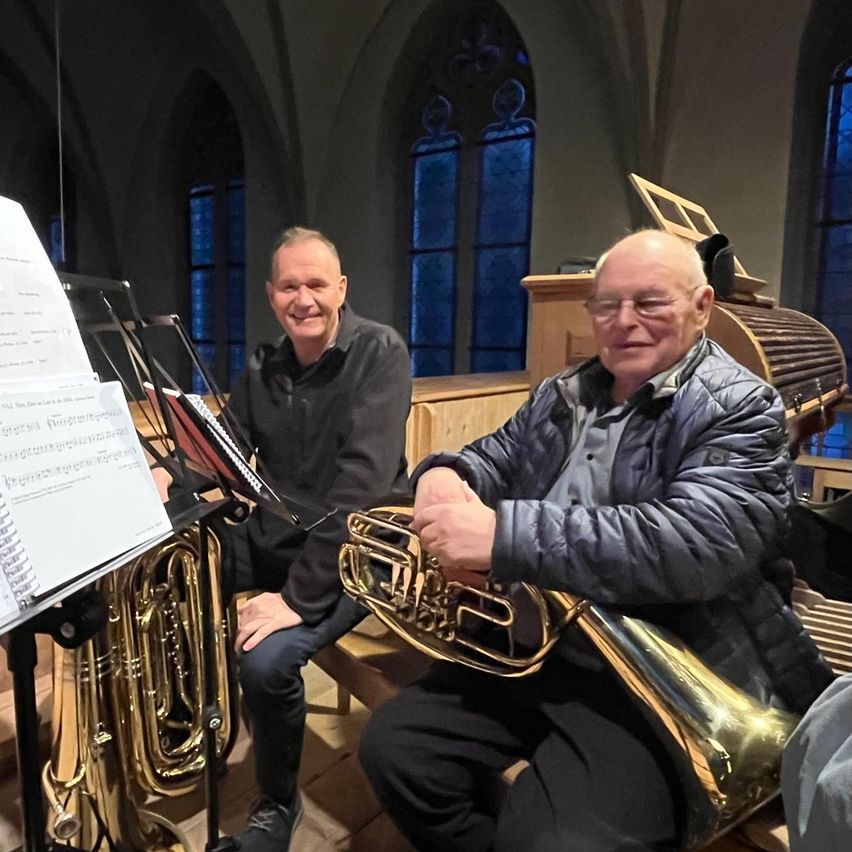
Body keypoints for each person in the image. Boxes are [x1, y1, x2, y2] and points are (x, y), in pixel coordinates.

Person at [358, 229, 833, 852]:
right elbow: (493, 457)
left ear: (703, 307)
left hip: (659, 674)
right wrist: (445, 474)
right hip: (541, 651)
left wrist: (503, 535)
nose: (623, 322)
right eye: (606, 305)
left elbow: (696, 545)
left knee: (555, 841)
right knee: (396, 751)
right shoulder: (565, 393)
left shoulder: (743, 408)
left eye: (650, 302)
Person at [223, 227, 411, 851]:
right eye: (288, 286)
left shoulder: (380, 353)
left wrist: (295, 601)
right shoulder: (263, 365)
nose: (303, 298)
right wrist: (168, 475)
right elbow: (223, 453)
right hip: (280, 536)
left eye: (316, 283)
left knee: (267, 661)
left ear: (341, 289)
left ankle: (277, 806)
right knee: (173, 563)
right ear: (272, 295)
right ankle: (188, 719)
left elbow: (357, 496)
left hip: (360, 553)